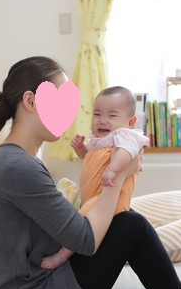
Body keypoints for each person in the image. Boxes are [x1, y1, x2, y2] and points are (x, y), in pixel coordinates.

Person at [0, 56, 181, 289]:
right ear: (30, 101)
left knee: (125, 222)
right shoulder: (18, 166)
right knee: (131, 225)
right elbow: (86, 240)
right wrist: (120, 175)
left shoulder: (17, 160)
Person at [41, 86, 149, 270]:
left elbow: (125, 153)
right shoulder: (99, 140)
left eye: (112, 115)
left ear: (131, 121)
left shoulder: (125, 136)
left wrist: (112, 170)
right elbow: (89, 158)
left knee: (80, 221)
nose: (102, 120)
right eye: (97, 114)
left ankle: (62, 255)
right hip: (96, 197)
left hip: (112, 200)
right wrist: (81, 149)